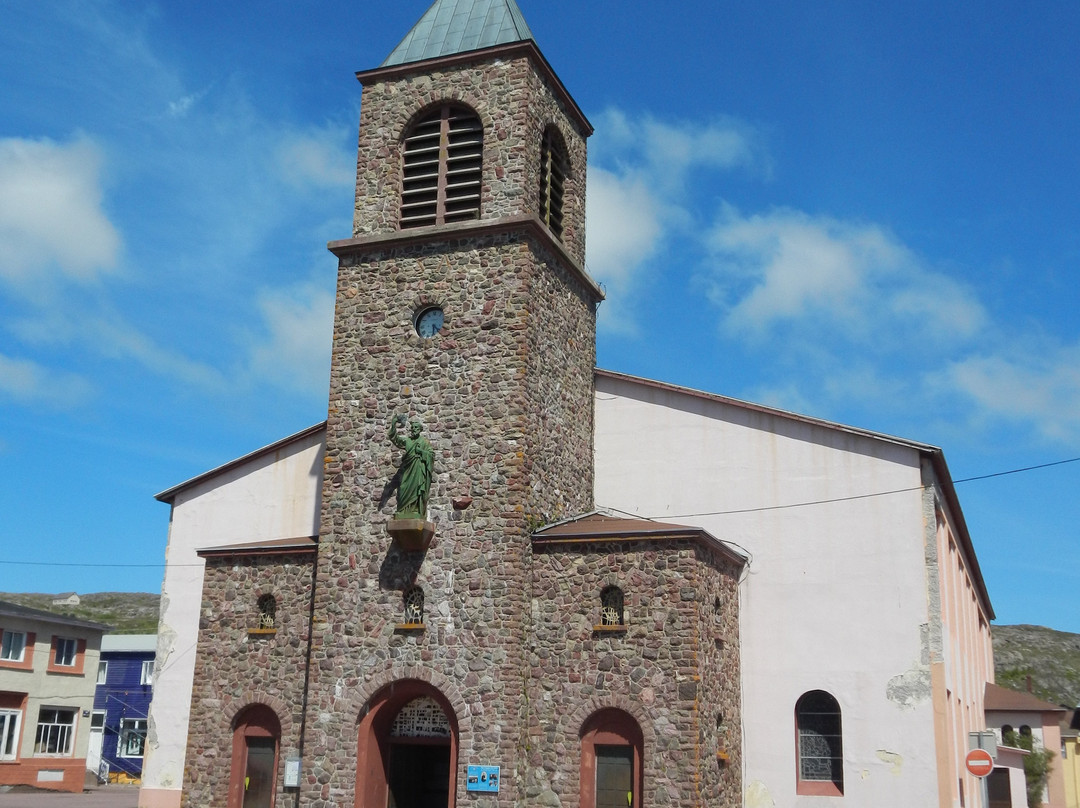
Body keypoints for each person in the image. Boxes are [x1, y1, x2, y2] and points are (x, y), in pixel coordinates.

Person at [388, 414, 434, 519]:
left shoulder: (424, 442)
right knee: (404, 487)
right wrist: (393, 424)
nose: (414, 430)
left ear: (420, 430)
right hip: (408, 469)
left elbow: (431, 455)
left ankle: (415, 510)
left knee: (417, 489)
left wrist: (421, 452)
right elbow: (395, 439)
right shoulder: (407, 441)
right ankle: (403, 510)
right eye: (412, 428)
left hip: (418, 469)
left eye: (416, 428)